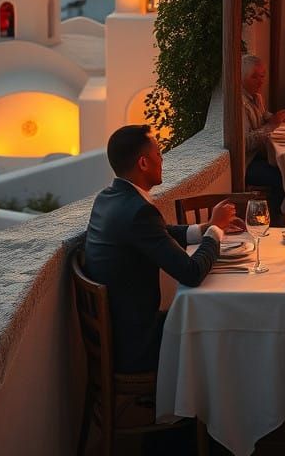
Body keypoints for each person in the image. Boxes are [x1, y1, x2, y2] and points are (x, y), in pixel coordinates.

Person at [84, 124, 239, 373]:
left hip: (120, 332)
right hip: (138, 345)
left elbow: (158, 231)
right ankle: (200, 407)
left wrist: (205, 226)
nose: (163, 159)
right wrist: (216, 230)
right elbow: (191, 273)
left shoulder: (109, 197)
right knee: (222, 324)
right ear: (143, 163)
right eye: (158, 154)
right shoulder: (138, 211)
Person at [241, 54, 285, 217]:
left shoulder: (256, 97)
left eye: (262, 76)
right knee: (283, 177)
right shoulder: (239, 103)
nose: (260, 81)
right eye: (254, 77)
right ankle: (274, 220)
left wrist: (273, 118)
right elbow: (245, 143)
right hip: (247, 163)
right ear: (241, 77)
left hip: (262, 155)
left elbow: (263, 115)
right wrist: (272, 125)